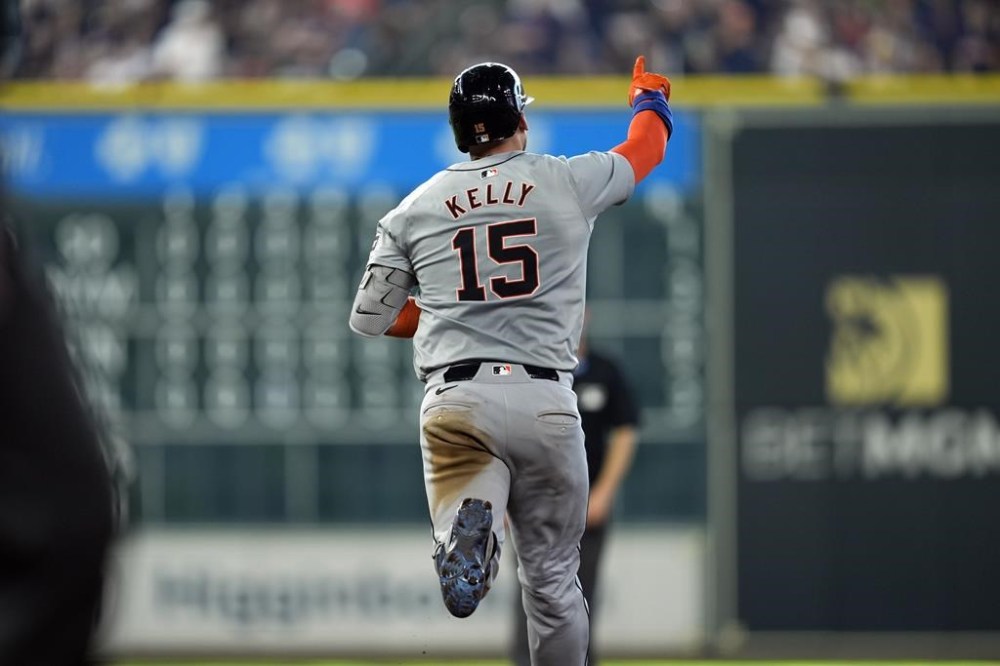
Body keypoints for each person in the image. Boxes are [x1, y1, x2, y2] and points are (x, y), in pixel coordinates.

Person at [349, 56, 672, 665]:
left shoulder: (413, 209)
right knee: (553, 584)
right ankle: (483, 535)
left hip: (456, 402)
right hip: (546, 399)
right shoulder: (565, 180)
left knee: (468, 505)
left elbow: (372, 317)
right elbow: (644, 151)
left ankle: (469, 529)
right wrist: (648, 98)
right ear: (519, 116)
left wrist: (448, 315)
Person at [510, 326, 640, 666]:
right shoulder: (529, 369)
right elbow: (509, 437)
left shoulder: (604, 371)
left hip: (586, 509)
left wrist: (604, 493)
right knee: (532, 592)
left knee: (583, 597)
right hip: (535, 505)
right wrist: (507, 500)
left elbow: (626, 432)